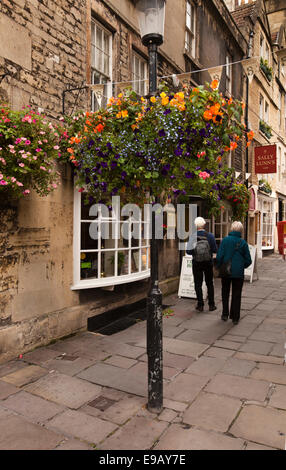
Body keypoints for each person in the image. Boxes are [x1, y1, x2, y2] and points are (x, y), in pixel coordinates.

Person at [215, 221, 252, 325]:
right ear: (241, 230)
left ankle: (225, 314)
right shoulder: (243, 243)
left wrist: (218, 266)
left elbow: (219, 256)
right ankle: (235, 317)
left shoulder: (225, 240)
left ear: (231, 229)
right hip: (238, 273)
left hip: (226, 271)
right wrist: (241, 266)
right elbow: (248, 260)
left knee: (225, 292)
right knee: (237, 294)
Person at [186, 217, 217, 312]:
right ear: (204, 225)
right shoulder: (210, 236)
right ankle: (211, 305)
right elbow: (215, 250)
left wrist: (196, 252)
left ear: (196, 226)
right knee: (209, 283)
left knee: (198, 284)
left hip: (197, 263)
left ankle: (200, 305)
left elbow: (188, 251)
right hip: (208, 262)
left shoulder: (193, 236)